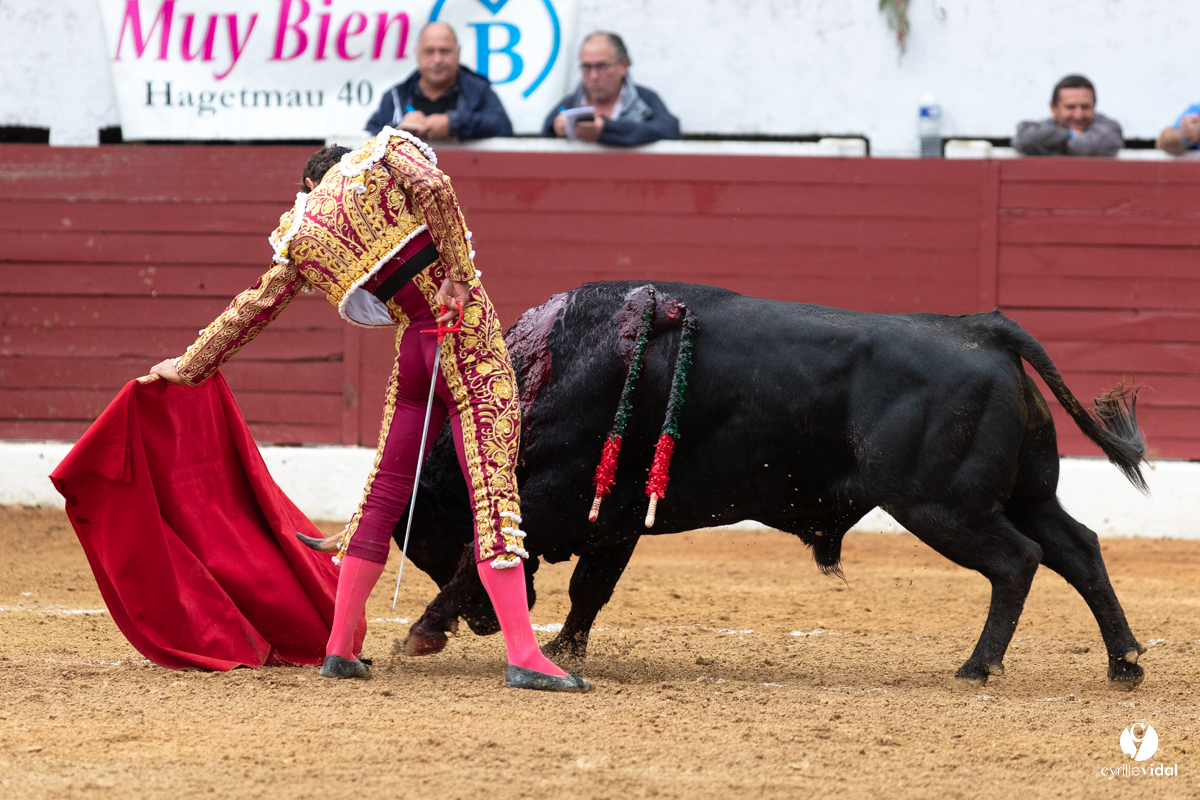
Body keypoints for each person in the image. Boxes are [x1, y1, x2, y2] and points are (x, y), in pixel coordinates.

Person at [139, 130, 591, 692]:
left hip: (414, 353)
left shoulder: (303, 234)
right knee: (493, 490)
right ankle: (524, 653)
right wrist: (454, 270)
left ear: (311, 186)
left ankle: (338, 648)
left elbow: (254, 306)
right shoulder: (385, 155)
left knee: (383, 492)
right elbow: (433, 182)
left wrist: (188, 365)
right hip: (463, 334)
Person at [365, 22, 512, 141]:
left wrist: (454, 123)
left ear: (458, 53)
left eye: (444, 51)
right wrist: (399, 129)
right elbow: (368, 137)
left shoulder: (479, 91)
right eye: (429, 51)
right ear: (417, 54)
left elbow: (503, 127)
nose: (437, 60)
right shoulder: (395, 96)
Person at [541, 31, 680, 146]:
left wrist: (605, 129)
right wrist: (556, 127)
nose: (593, 76)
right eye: (587, 67)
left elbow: (670, 129)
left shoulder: (645, 99)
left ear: (623, 67)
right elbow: (544, 138)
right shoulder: (569, 104)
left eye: (602, 67)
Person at [1014, 75, 1122, 157]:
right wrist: (1071, 134)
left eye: (1085, 107)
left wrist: (1052, 140)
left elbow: (1086, 147)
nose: (1078, 115)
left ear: (1094, 106)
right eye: (1070, 107)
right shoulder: (1043, 126)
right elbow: (1024, 139)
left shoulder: (1110, 129)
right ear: (1053, 108)